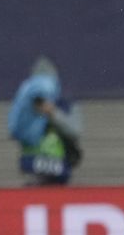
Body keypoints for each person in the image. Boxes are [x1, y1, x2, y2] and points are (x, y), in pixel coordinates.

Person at [7, 56, 82, 186]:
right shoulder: (26, 111)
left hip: (59, 171)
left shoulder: (65, 106)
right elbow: (14, 130)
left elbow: (75, 131)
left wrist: (54, 115)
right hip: (33, 169)